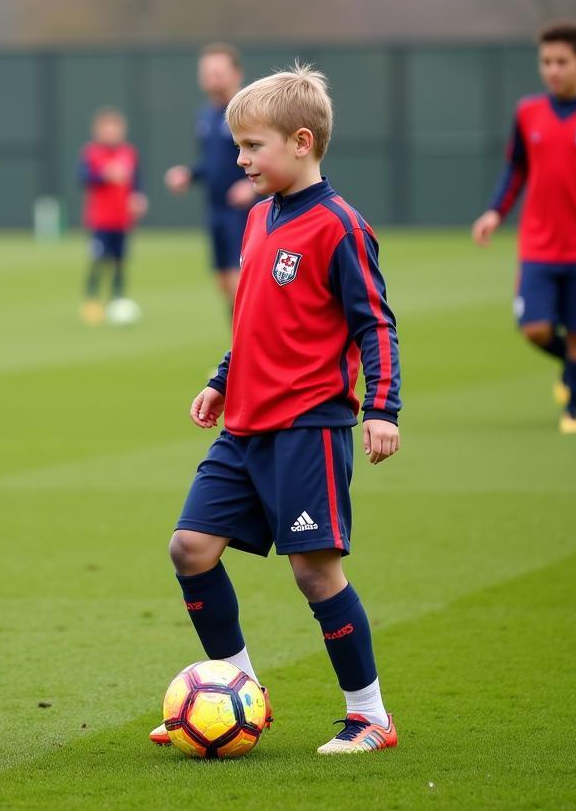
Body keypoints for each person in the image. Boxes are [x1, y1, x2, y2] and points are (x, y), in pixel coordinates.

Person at [149, 65, 402, 755]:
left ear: (300, 142)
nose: (240, 160)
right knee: (190, 549)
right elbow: (255, 317)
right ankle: (237, 698)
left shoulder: (340, 226)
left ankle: (370, 715)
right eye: (236, 147)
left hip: (308, 429)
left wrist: (381, 407)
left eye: (251, 147)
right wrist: (222, 376)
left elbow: (374, 324)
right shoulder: (259, 216)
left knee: (315, 573)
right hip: (245, 425)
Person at [471, 22, 576, 434]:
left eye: (562, 62)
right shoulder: (528, 112)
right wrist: (494, 213)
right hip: (538, 245)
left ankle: (573, 407)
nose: (552, 70)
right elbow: (516, 168)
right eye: (546, 62)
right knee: (534, 328)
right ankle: (575, 370)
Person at [164, 43, 257, 307]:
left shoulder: (249, 112)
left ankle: (253, 346)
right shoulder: (205, 115)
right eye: (207, 72)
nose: (211, 78)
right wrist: (189, 175)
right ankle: (240, 346)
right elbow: (212, 163)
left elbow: (271, 156)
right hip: (215, 209)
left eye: (218, 72)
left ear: (236, 74)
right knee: (225, 283)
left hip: (245, 212)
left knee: (242, 283)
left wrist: (251, 187)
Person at [78, 107, 147, 323]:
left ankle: (118, 299)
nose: (111, 133)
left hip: (122, 219)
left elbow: (136, 181)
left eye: (115, 129)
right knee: (98, 259)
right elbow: (82, 177)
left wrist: (138, 197)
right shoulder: (91, 153)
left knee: (120, 260)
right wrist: (104, 174)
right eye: (106, 129)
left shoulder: (129, 153)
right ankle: (91, 301)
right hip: (100, 219)